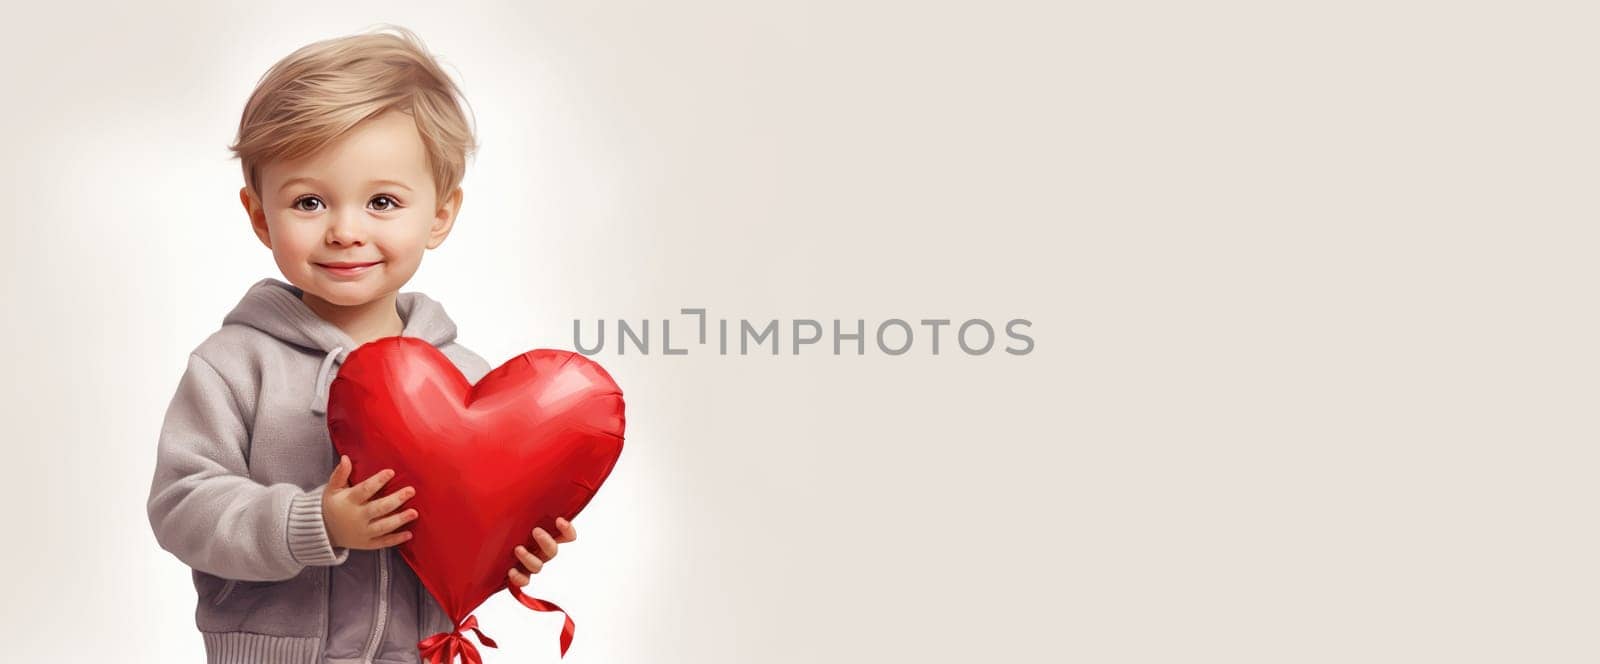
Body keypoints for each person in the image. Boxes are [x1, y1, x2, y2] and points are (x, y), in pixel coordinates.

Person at [145, 25, 572, 664]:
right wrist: (314, 522)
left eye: (381, 201)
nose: (346, 230)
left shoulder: (468, 381)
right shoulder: (235, 365)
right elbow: (182, 506)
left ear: (440, 215)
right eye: (310, 201)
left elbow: (458, 535)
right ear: (260, 215)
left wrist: (506, 546)